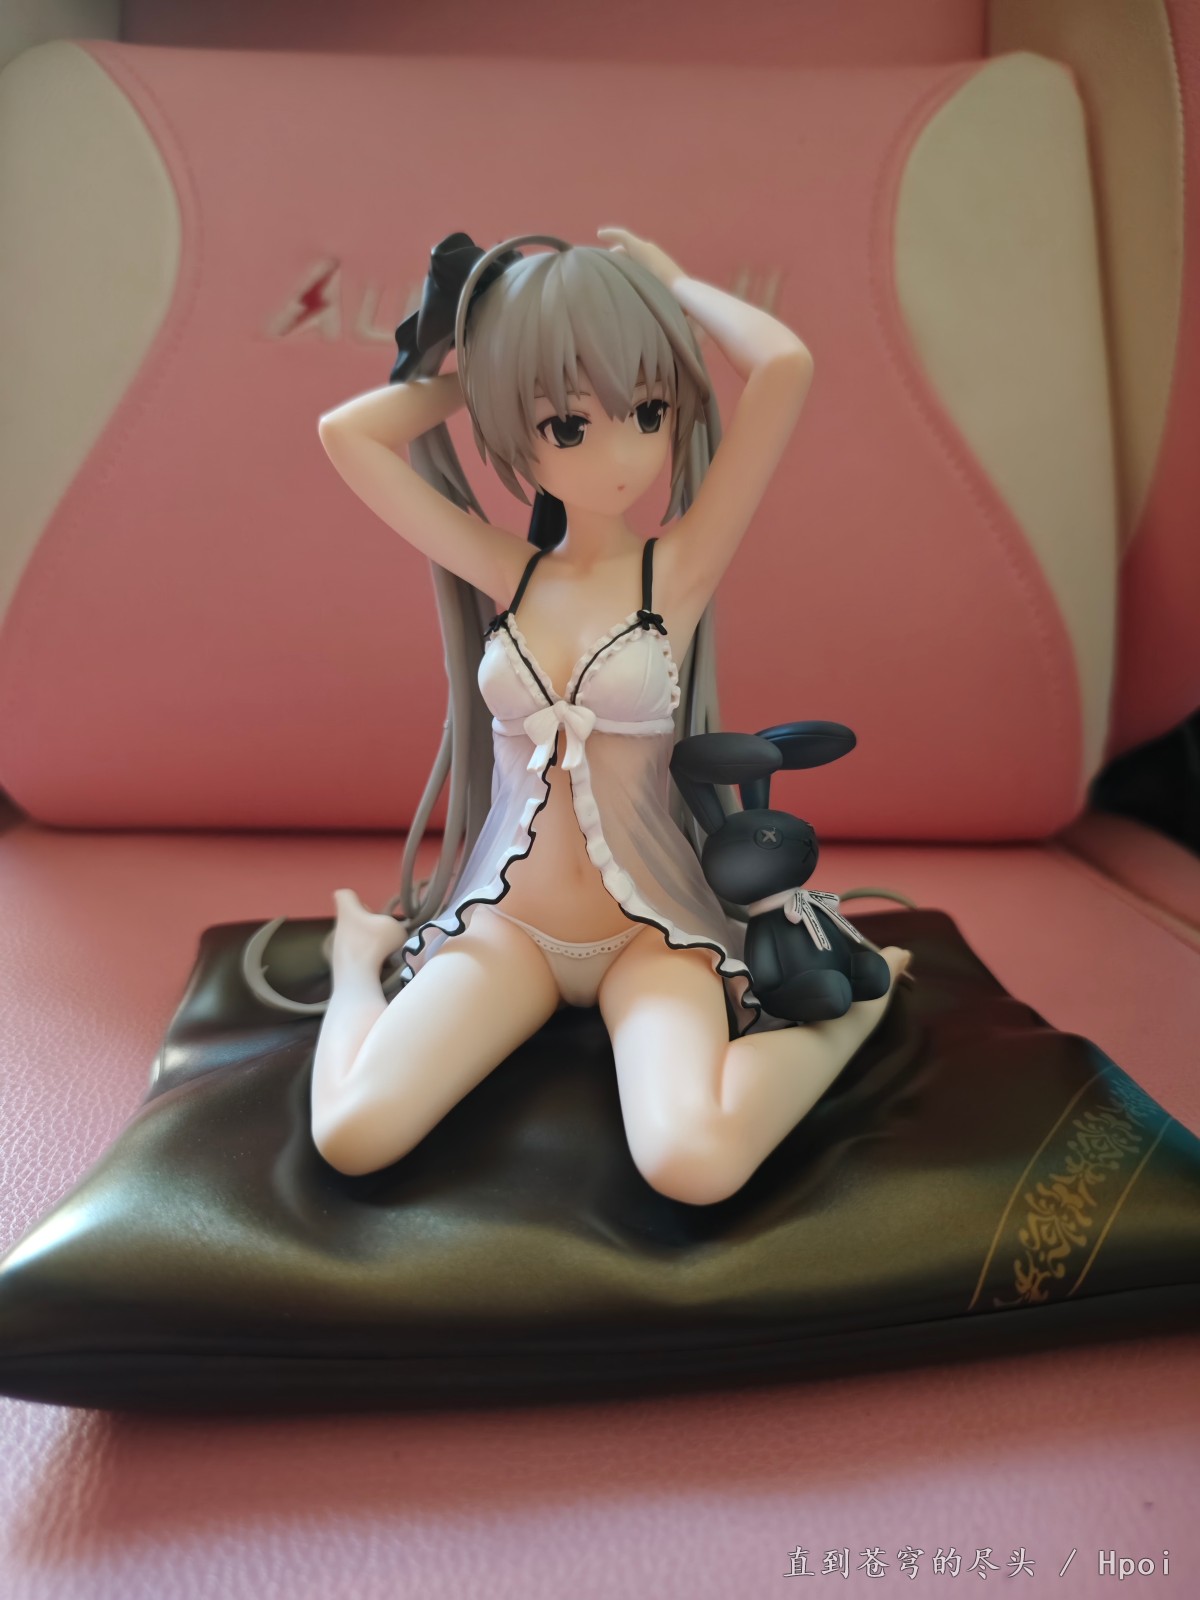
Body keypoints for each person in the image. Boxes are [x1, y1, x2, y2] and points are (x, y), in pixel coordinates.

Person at [243, 227, 913, 1204]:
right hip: (509, 927)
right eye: (567, 425)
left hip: (649, 932)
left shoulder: (675, 570)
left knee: (692, 1163)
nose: (622, 454)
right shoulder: (506, 572)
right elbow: (349, 434)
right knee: (353, 1133)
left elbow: (784, 365)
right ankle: (356, 959)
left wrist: (678, 285)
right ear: (518, 431)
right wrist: (484, 375)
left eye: (647, 411)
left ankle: (853, 1012)